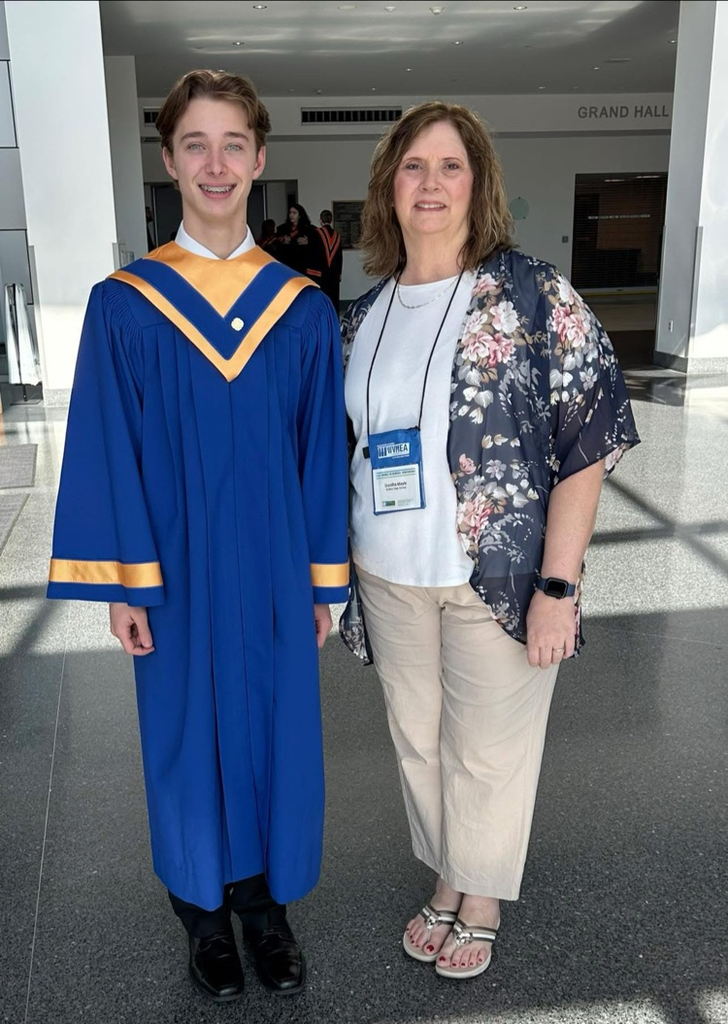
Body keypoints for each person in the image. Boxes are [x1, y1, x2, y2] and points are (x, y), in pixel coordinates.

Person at [47, 69, 349, 1004]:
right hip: (172, 575)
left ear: (260, 160)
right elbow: (108, 447)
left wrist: (321, 583)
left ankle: (264, 908)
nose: (215, 165)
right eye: (194, 145)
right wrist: (128, 589)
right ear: (169, 159)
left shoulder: (299, 310)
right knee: (183, 737)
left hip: (268, 571)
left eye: (232, 146)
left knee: (275, 734)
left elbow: (318, 457)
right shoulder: (125, 304)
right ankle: (203, 918)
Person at [340, 101, 639, 980]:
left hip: (497, 574)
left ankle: (480, 899)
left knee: (490, 745)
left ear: (479, 185)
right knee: (418, 738)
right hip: (387, 572)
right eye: (413, 167)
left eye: (450, 167)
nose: (430, 184)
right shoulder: (359, 316)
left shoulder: (531, 293)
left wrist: (560, 584)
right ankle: (448, 874)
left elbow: (591, 431)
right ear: (388, 188)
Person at [306, 209, 343, 310]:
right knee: (333, 301)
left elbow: (312, 253)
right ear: (331, 220)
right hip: (333, 275)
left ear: (320, 220)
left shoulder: (315, 233)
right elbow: (340, 257)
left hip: (319, 274)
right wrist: (339, 275)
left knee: (320, 302)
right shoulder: (338, 236)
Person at [276, 203, 313, 274]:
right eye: (290, 213)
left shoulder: (308, 229)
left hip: (302, 265)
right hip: (286, 264)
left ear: (299, 215)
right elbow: (275, 244)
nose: (291, 215)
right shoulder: (282, 228)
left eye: (294, 213)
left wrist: (308, 242)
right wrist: (282, 240)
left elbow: (316, 246)